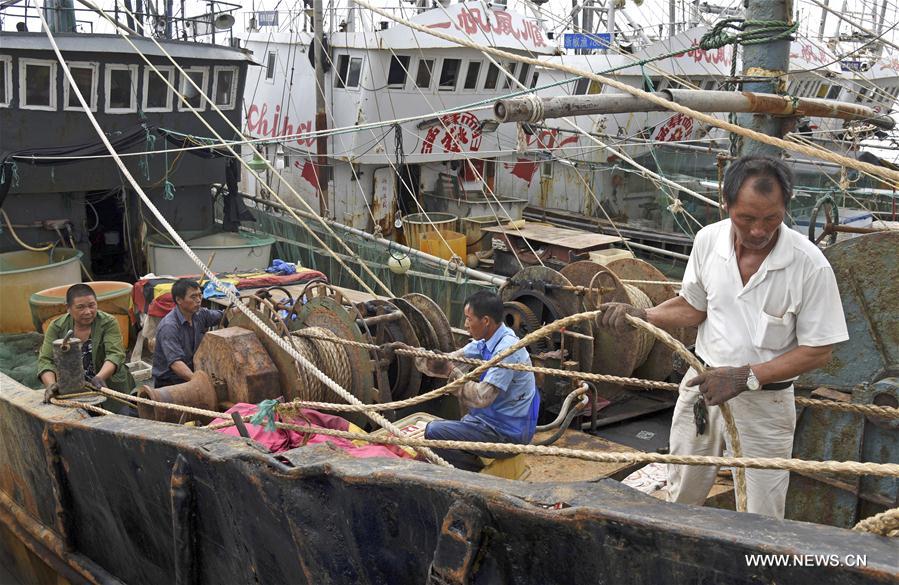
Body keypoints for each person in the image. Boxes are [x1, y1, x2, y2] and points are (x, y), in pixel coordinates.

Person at [596, 156, 848, 518]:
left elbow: (818, 350)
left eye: (771, 218)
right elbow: (694, 307)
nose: (759, 231)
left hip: (766, 403)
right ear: (725, 204)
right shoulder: (707, 240)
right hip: (701, 386)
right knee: (681, 493)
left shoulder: (809, 265)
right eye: (746, 218)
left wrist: (745, 376)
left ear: (785, 209)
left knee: (761, 512)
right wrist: (644, 315)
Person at [417, 290, 540, 471]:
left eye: (469, 319)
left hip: (507, 432)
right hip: (491, 421)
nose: (466, 325)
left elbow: (482, 397)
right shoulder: (488, 339)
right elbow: (452, 360)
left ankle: (475, 475)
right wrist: (416, 355)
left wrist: (450, 371)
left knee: (434, 432)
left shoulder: (506, 352)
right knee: (451, 425)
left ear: (486, 321)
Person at [37, 283, 133, 393]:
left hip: (109, 387)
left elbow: (115, 354)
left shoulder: (108, 322)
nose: (87, 312)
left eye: (92, 305)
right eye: (80, 307)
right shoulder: (57, 327)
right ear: (68, 308)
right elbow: (45, 360)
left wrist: (100, 377)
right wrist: (51, 385)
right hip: (72, 389)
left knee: (120, 410)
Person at [151, 278, 224, 388]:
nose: (199, 300)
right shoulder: (169, 327)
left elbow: (224, 315)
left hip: (192, 373)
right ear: (179, 300)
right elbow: (176, 364)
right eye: (193, 297)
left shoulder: (200, 314)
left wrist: (242, 308)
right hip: (170, 383)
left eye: (200, 295)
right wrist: (199, 381)